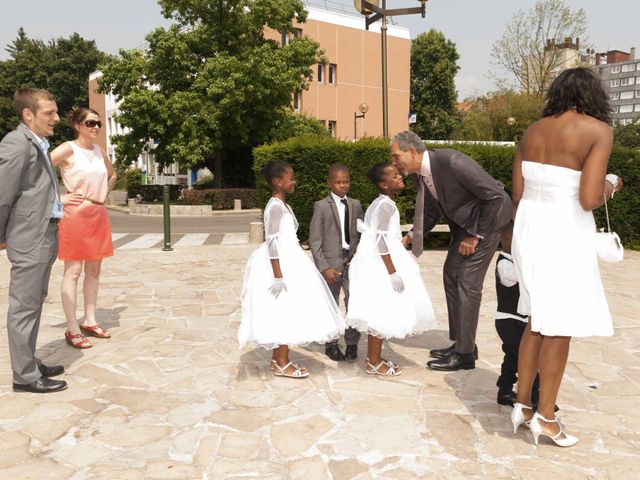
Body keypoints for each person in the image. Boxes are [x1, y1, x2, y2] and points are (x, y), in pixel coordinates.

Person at [510, 67, 623, 447]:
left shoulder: (532, 131)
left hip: (529, 229)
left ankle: (522, 406)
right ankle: (547, 416)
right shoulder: (599, 132)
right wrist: (612, 184)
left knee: (536, 320)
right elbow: (589, 199)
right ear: (594, 96)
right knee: (559, 326)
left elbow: (518, 194)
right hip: (564, 233)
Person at [390, 131, 512, 371]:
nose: (393, 162)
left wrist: (475, 236)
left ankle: (465, 355)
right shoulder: (418, 176)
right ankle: (462, 343)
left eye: (396, 156)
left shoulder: (453, 162)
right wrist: (411, 236)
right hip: (463, 226)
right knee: (451, 275)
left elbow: (496, 197)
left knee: (467, 281)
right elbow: (431, 211)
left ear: (412, 151)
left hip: (488, 222)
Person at [238, 161, 345, 378]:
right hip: (282, 266)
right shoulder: (275, 207)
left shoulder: (282, 205)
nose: (294, 182)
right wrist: (278, 276)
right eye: (291, 178)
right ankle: (282, 361)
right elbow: (273, 243)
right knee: (284, 311)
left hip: (290, 260)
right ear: (278, 182)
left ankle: (279, 359)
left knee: (286, 311)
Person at [0, 88, 76, 393]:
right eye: (50, 113)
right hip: (29, 238)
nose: (57, 118)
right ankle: (25, 376)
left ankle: (28, 360)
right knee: (24, 307)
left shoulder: (37, 142)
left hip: (44, 234)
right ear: (27, 114)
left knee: (33, 303)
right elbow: (2, 195)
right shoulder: (16, 144)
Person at [346, 163, 436, 376]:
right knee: (381, 310)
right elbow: (380, 241)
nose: (399, 177)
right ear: (384, 184)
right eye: (394, 176)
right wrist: (392, 271)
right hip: (381, 263)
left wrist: (402, 240)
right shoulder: (386, 205)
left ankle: (373, 357)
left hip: (378, 259)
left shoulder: (381, 203)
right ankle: (373, 361)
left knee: (381, 310)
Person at [50, 108, 117, 349]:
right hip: (75, 215)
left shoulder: (99, 151)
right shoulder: (68, 148)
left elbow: (112, 175)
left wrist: (103, 195)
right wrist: (57, 199)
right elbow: (39, 168)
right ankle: (72, 328)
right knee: (74, 271)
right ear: (77, 125)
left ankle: (90, 320)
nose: (96, 127)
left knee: (95, 271)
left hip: (98, 214)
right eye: (90, 123)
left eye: (98, 123)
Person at [309, 164, 364, 361]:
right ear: (329, 183)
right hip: (331, 264)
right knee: (331, 303)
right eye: (338, 182)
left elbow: (360, 234)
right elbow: (315, 241)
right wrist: (324, 267)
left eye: (346, 181)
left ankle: (351, 343)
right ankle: (331, 343)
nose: (343, 185)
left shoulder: (356, 205)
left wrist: (357, 258)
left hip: (352, 261)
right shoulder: (322, 206)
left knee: (353, 302)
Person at [494, 223, 540, 408]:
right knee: (528, 358)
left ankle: (504, 391)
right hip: (508, 321)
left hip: (521, 320)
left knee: (512, 358)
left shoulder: (518, 262)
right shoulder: (505, 264)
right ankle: (536, 398)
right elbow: (524, 278)